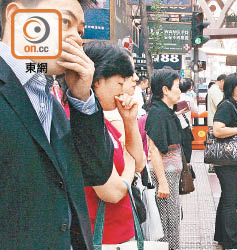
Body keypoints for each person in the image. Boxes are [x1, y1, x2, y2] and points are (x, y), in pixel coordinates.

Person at [0, 1, 115, 250]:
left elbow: (95, 171)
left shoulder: (46, 93)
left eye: (81, 31)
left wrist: (83, 98)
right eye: (65, 22)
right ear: (17, 17)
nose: (76, 39)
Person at [82, 41, 145, 244]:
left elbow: (140, 163)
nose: (124, 88)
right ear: (98, 80)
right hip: (100, 238)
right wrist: (129, 164)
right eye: (120, 82)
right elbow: (112, 192)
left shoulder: (101, 120)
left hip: (118, 235)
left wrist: (129, 120)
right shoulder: (80, 124)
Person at [213, 72, 237, 250]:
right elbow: (218, 131)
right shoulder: (227, 106)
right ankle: (232, 243)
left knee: (226, 200)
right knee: (232, 201)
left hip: (234, 162)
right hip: (227, 162)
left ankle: (222, 238)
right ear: (231, 88)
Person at [145, 68, 183, 250]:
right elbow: (153, 150)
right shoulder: (158, 114)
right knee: (166, 224)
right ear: (165, 90)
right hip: (165, 178)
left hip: (171, 177)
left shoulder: (167, 111)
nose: (180, 90)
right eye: (177, 86)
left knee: (173, 220)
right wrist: (162, 182)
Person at [177, 78, 199, 163]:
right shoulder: (189, 98)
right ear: (189, 88)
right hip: (185, 126)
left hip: (175, 127)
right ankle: (186, 168)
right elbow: (196, 110)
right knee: (187, 149)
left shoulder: (174, 98)